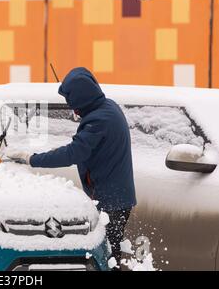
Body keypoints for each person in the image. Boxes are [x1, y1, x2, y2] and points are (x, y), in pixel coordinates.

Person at [7, 67, 136, 269]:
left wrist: (31, 158)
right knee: (110, 252)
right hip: (118, 197)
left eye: (73, 104)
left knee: (107, 256)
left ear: (82, 100)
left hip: (111, 201)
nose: (73, 110)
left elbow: (73, 153)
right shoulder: (108, 107)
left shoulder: (98, 120)